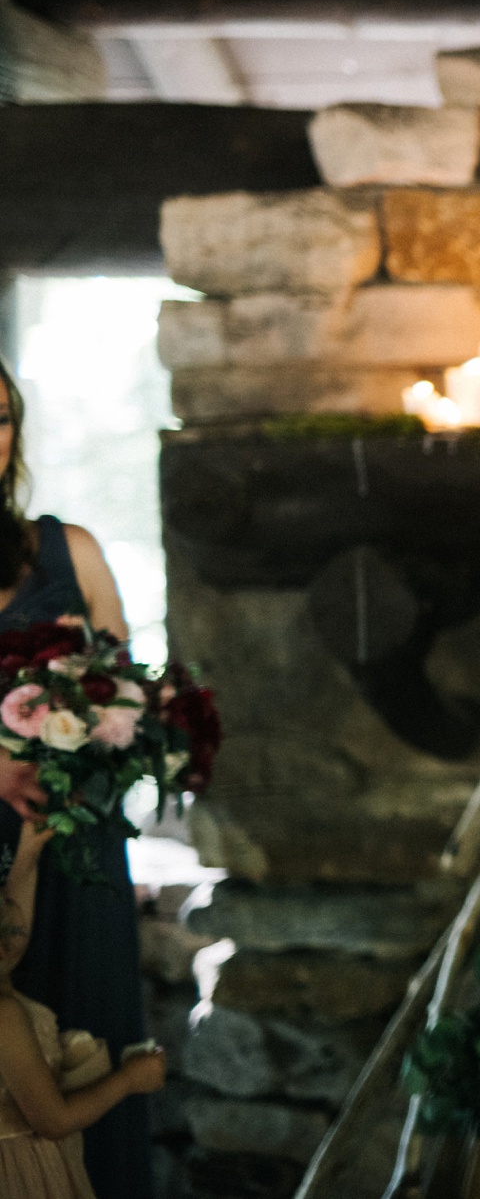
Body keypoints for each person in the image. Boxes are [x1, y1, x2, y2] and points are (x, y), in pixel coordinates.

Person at [0, 362, 151, 1199]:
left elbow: (133, 701)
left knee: (95, 1031)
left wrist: (89, 739)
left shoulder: (68, 550)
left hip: (80, 847)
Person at [0, 817, 166, 1199]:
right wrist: (129, 1080)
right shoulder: (5, 1014)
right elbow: (54, 1121)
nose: (13, 932)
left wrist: (29, 848)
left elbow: (16, 925)